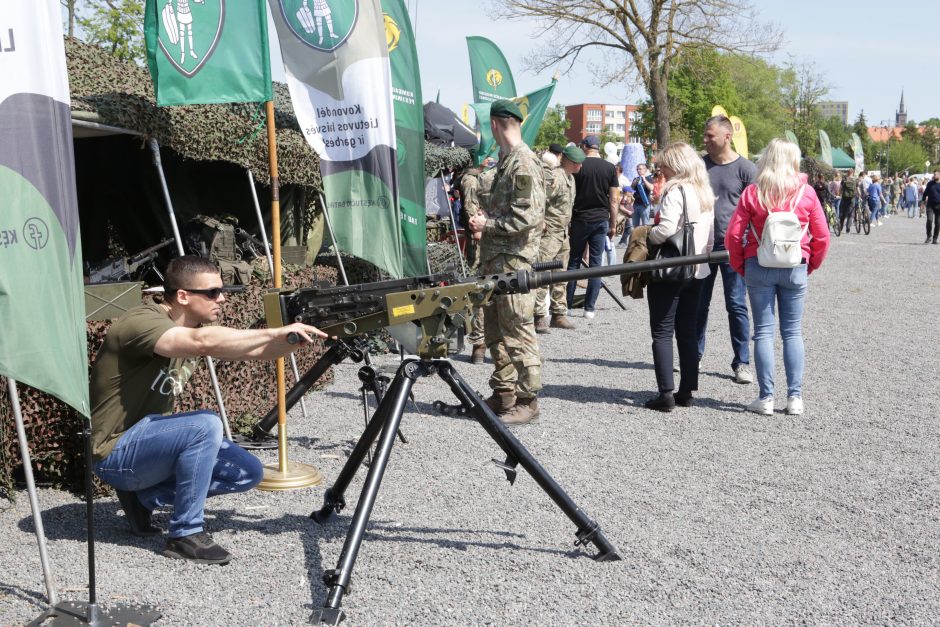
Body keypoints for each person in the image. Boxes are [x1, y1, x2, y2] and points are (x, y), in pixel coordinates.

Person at [90, 256, 328, 565]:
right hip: (113, 453)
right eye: (212, 292)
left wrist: (302, 337)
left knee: (247, 472)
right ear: (183, 296)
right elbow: (202, 342)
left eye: (222, 290)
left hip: (147, 448)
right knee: (206, 425)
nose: (223, 298)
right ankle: (184, 534)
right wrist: (275, 331)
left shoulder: (194, 326)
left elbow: (258, 351)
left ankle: (144, 497)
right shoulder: (141, 321)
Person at [724, 138, 830, 416]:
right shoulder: (806, 193)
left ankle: (766, 397)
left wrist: (741, 265)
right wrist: (810, 264)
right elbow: (822, 236)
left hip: (758, 264)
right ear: (793, 161)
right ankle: (795, 398)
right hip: (795, 265)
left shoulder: (753, 193)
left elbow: (734, 235)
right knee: (793, 332)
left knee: (764, 332)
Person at [468, 100, 545, 426]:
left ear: (496, 125)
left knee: (518, 331)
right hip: (494, 261)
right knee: (495, 331)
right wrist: (487, 217)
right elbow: (506, 209)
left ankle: (528, 400)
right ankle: (504, 393)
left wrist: (488, 225)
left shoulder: (523, 164)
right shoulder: (505, 162)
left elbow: (527, 217)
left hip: (513, 263)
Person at [643, 142, 715, 411]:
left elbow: (665, 230)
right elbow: (710, 235)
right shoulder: (704, 191)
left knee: (662, 331)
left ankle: (665, 393)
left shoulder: (675, 191)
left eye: (664, 163)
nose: (660, 168)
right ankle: (686, 390)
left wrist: (647, 234)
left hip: (671, 269)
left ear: (677, 164)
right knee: (687, 331)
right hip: (697, 268)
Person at [696, 115, 756, 384]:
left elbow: (756, 210)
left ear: (727, 136)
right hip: (702, 247)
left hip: (734, 249)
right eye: (706, 136)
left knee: (736, 305)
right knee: (699, 305)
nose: (706, 140)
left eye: (710, 136)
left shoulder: (746, 169)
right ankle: (692, 356)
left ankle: (741, 363)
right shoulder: (699, 167)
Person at [566, 135, 619, 319]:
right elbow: (613, 199)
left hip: (580, 218)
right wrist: (613, 224)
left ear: (584, 146)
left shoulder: (577, 166)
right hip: (600, 219)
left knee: (573, 262)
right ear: (598, 148)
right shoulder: (610, 168)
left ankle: (568, 306)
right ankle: (590, 308)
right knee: (596, 264)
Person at [534, 146, 585, 332]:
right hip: (550, 233)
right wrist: (541, 220)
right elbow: (538, 199)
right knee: (542, 274)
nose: (579, 166)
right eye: (576, 163)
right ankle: (539, 316)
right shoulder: (555, 177)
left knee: (561, 274)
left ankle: (559, 313)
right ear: (567, 161)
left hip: (562, 232)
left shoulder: (570, 178)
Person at [921, 169, 940, 243]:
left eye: (935, 174)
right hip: (930, 205)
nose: (934, 175)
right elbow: (925, 193)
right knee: (929, 220)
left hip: (939, 206)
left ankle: (935, 238)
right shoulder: (930, 184)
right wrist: (922, 202)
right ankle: (929, 236)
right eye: (934, 174)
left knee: (938, 222)